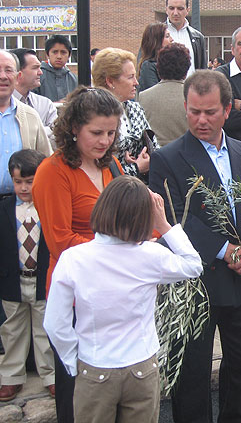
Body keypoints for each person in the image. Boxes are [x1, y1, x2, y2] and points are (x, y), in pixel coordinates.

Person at [149, 70, 241, 423]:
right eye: (193, 111)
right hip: (196, 286)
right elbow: (174, 220)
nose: (200, 120)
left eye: (209, 112)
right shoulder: (167, 158)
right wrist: (229, 251)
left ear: (227, 109)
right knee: (191, 380)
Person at [44, 175, 203, 423]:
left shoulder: (73, 259)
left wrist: (72, 360)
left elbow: (55, 323)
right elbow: (193, 265)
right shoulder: (151, 255)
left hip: (95, 364)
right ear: (144, 216)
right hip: (142, 365)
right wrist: (163, 224)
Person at [32, 86, 123, 423]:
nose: (104, 140)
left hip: (111, 289)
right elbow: (58, 241)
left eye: (111, 132)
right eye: (96, 132)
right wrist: (120, 253)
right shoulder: (52, 171)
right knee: (77, 390)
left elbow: (127, 215)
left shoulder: (111, 164)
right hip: (74, 294)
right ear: (73, 128)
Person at [0, 149, 54, 402]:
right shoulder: (4, 209)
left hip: (41, 278)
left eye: (30, 181)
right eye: (18, 181)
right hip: (13, 279)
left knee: (45, 329)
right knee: (13, 330)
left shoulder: (49, 206)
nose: (23, 188)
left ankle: (51, 375)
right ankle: (11, 376)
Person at [92, 47, 159, 179]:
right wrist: (136, 168)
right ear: (110, 81)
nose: (136, 83)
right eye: (130, 77)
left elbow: (154, 147)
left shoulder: (135, 109)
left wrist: (147, 159)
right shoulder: (93, 113)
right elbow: (96, 170)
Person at [0, 50, 52, 199]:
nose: (3, 76)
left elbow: (47, 162)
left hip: (21, 206)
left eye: (8, 70)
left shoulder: (30, 116)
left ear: (17, 76)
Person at [139, 43, 191, 147]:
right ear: (186, 68)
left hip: (154, 157)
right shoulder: (194, 97)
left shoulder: (143, 97)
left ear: (158, 68)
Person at [11, 48, 58, 147]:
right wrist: (44, 131)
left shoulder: (45, 105)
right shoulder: (4, 104)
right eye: (35, 68)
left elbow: (57, 136)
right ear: (18, 71)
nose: (40, 72)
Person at [165, 0, 207, 75]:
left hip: (191, 87)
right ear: (166, 10)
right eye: (171, 8)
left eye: (180, 8)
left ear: (187, 10)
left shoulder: (198, 37)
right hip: (165, 87)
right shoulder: (155, 34)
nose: (175, 13)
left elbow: (203, 70)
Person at [35, 35, 78, 103]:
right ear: (47, 54)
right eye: (55, 52)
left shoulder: (74, 79)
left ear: (69, 55)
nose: (59, 56)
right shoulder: (37, 76)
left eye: (63, 52)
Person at [137, 22, 173, 92]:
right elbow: (152, 95)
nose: (172, 39)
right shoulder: (148, 66)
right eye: (167, 36)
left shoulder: (168, 63)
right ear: (157, 41)